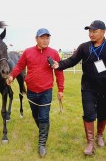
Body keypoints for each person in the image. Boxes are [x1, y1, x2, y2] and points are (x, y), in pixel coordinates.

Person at [53, 20, 106, 155]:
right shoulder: (84, 47)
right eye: (90, 31)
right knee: (89, 114)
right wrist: (59, 65)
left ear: (103, 32)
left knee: (103, 114)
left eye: (94, 31)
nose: (91, 34)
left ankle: (99, 135)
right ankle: (90, 142)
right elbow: (72, 60)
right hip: (88, 88)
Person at [6, 28, 64, 157]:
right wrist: (11, 76)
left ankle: (42, 144)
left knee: (44, 117)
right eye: (42, 38)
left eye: (47, 38)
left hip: (46, 91)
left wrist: (60, 89)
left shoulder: (54, 53)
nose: (45, 40)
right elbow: (19, 66)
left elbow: (59, 72)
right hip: (31, 91)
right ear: (36, 39)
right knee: (36, 116)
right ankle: (44, 129)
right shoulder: (28, 52)